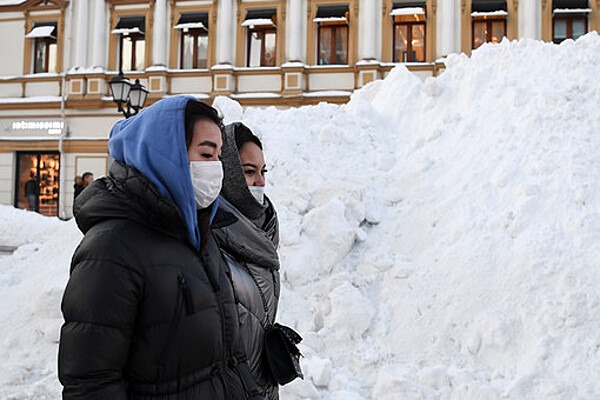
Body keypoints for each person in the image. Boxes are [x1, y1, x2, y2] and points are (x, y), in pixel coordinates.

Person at [58, 97, 263, 400]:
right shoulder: (111, 249)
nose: (216, 169)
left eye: (219, 156)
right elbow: (91, 382)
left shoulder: (199, 236)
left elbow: (231, 358)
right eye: (207, 153)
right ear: (167, 155)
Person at [212, 122, 281, 399]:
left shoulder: (263, 232)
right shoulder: (208, 235)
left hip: (262, 387)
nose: (260, 182)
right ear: (226, 173)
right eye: (249, 172)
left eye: (263, 171)